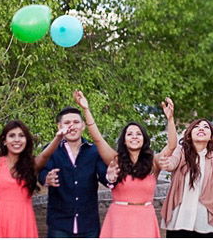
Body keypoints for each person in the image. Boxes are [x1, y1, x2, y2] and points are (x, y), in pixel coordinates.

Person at [73, 90, 177, 238]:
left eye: (138, 134)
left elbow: (172, 146)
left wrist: (170, 119)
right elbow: (97, 139)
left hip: (145, 219)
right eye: (129, 134)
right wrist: (86, 109)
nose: (134, 137)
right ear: (124, 140)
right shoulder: (116, 160)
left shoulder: (153, 162)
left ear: (144, 139)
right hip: (119, 219)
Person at [0, 108, 71, 238]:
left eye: (21, 136)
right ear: (4, 141)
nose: (17, 140)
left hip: (24, 221)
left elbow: (45, 155)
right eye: (12, 136)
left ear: (26, 140)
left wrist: (58, 137)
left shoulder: (31, 165)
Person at [39, 106, 110, 237]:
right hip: (59, 224)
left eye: (76, 122)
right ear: (59, 126)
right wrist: (46, 178)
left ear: (83, 125)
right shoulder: (51, 150)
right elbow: (41, 171)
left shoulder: (94, 151)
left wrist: (112, 176)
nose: (72, 126)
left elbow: (106, 177)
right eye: (67, 123)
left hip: (88, 224)